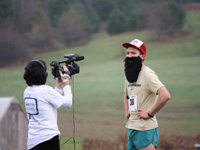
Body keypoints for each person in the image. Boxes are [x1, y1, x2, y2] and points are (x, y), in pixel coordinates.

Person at [122, 39, 171, 150]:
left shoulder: (148, 74)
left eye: (133, 53)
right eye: (128, 53)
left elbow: (165, 95)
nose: (129, 56)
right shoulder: (129, 73)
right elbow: (126, 94)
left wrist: (150, 114)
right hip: (132, 126)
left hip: (145, 128)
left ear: (142, 56)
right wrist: (127, 110)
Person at [23, 59, 72, 150]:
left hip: (33, 141)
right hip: (48, 139)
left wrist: (58, 86)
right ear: (42, 74)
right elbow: (68, 103)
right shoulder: (46, 90)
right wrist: (66, 83)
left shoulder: (27, 91)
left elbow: (47, 102)